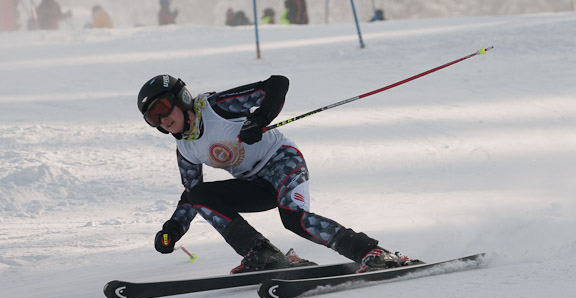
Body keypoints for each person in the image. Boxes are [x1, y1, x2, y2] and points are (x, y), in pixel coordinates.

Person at [137, 75, 420, 274]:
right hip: (254, 184)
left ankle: (374, 253)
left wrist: (259, 119)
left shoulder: (217, 107)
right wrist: (173, 229)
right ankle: (262, 253)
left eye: (163, 107)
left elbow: (276, 84)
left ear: (182, 98)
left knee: (293, 219)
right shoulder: (185, 148)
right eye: (153, 118)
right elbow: (192, 195)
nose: (162, 119)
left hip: (283, 162)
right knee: (199, 194)